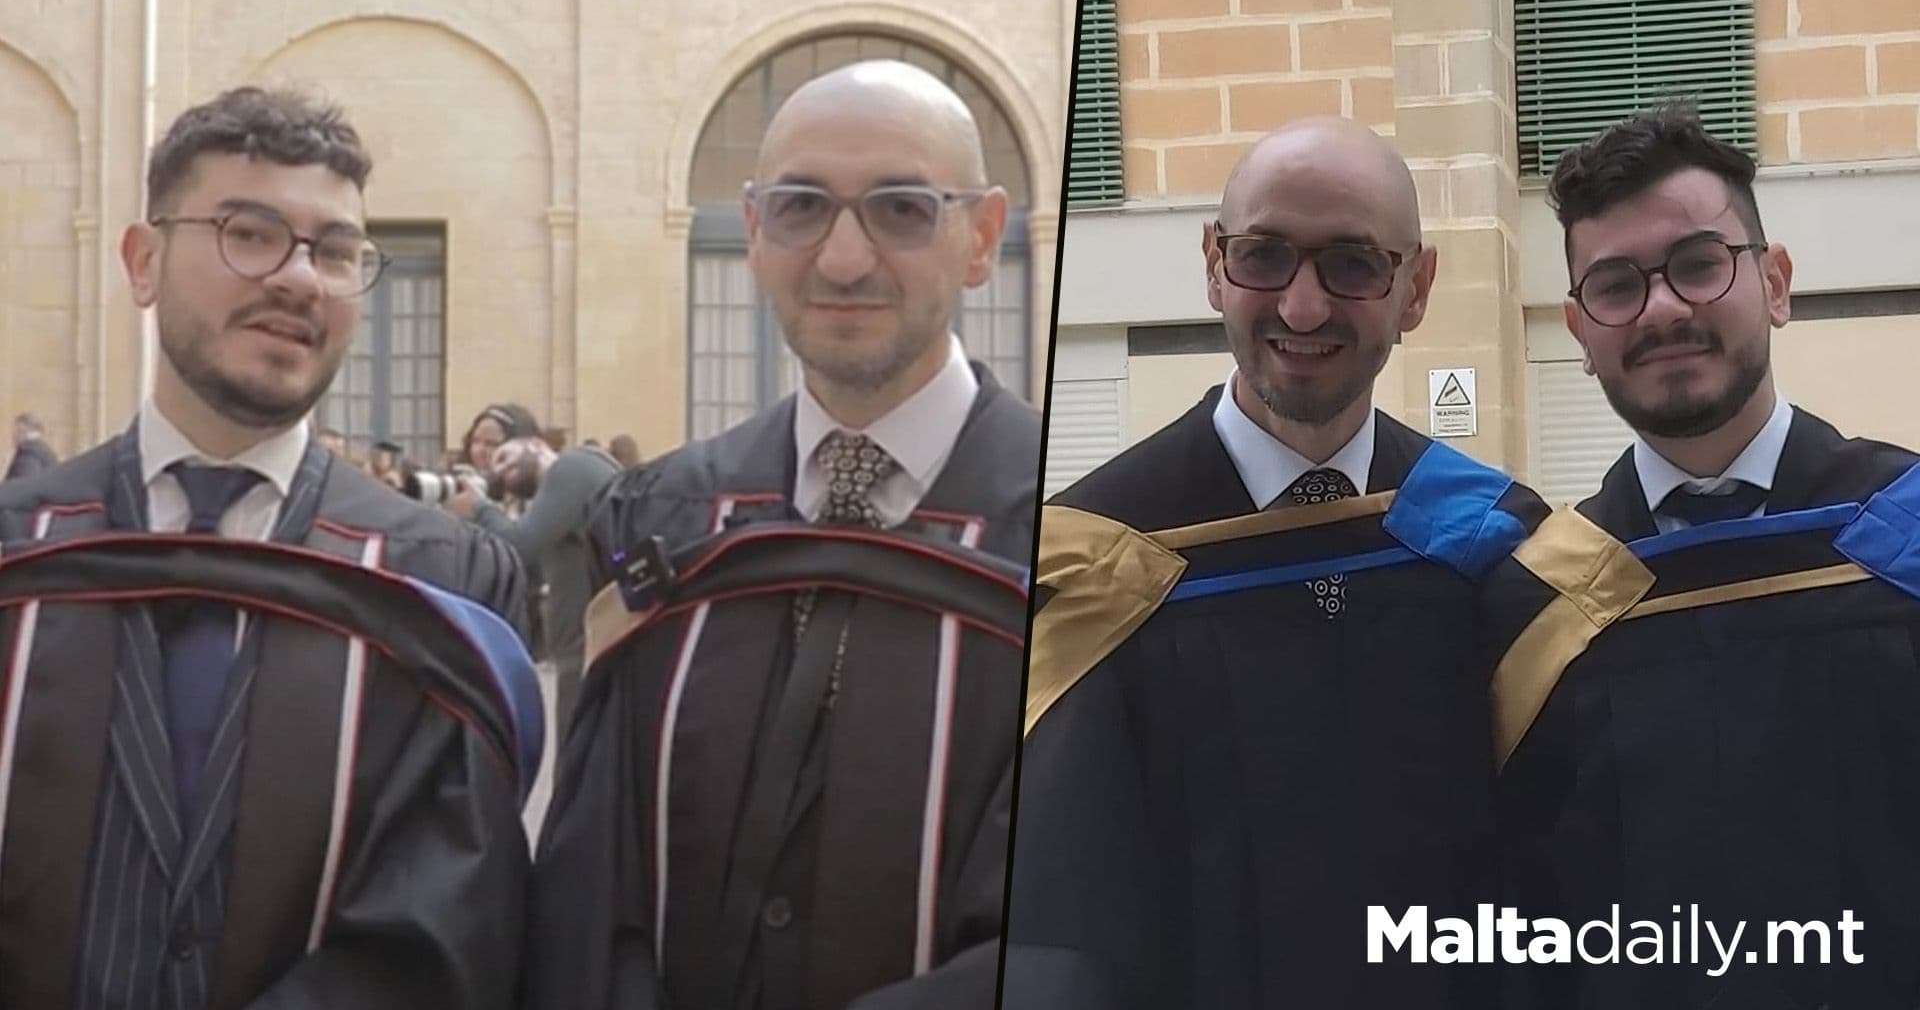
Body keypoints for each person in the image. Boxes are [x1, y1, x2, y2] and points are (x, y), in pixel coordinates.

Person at [0, 85, 535, 1008]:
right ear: (144, 261)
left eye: (334, 251)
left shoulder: (438, 584)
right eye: (249, 232)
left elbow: (447, 920)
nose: (298, 277)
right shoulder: (21, 554)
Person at [1002, 117, 1550, 1010]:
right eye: (1264, 256)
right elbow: (1063, 922)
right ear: (1215, 264)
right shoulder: (1094, 560)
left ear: (1416, 289)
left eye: (1355, 264)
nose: (1302, 307)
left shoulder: (1495, 546)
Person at [525, 59, 1039, 1010]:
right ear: (756, 234)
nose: (843, 259)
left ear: (982, 237)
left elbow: (1082, 926)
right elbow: (589, 890)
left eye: (901, 209)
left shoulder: (1080, 546)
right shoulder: (665, 524)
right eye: (803, 208)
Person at [1493, 105, 1920, 1008]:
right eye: (1616, 285)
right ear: (1578, 331)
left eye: (1698, 265)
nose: (1662, 309)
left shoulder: (1901, 539)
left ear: (1774, 282)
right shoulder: (1537, 601)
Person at [448, 433, 621, 732]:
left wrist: (480, 508)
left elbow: (519, 546)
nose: (500, 470)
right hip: (586, 644)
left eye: (504, 457)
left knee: (574, 753)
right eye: (496, 474)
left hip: (588, 645)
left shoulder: (571, 468)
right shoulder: (572, 481)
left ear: (536, 445)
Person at [5, 412, 58, 481]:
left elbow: (23, 485)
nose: (13, 436)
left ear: (22, 431)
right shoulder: (45, 450)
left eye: (16, 431)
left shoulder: (28, 453)